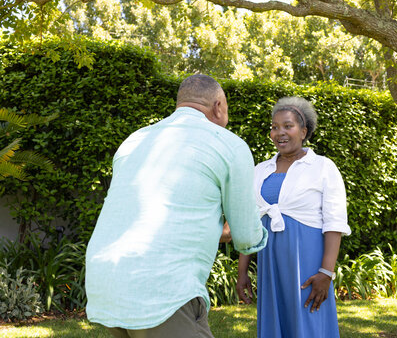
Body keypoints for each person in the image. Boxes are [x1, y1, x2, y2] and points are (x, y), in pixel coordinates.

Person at [85, 74, 268, 338]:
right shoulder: (228, 144)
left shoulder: (134, 140)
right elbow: (246, 238)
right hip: (161, 286)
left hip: (106, 278)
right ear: (218, 106)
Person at [237, 96, 351, 338]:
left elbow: (334, 224)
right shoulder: (260, 170)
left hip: (307, 262)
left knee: (309, 320)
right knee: (274, 323)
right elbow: (251, 223)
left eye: (287, 126)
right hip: (270, 263)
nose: (280, 132)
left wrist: (326, 273)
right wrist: (242, 272)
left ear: (303, 131)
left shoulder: (323, 167)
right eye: (274, 127)